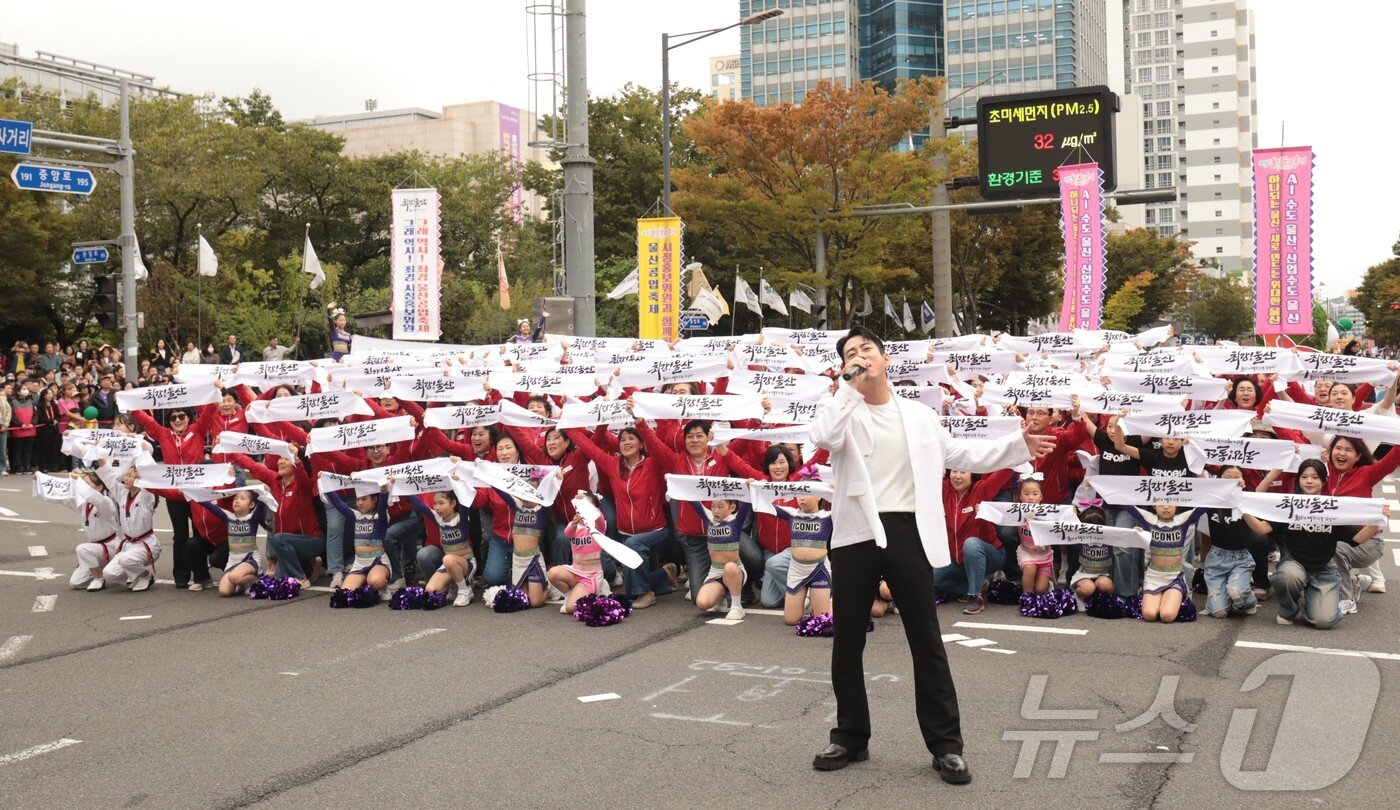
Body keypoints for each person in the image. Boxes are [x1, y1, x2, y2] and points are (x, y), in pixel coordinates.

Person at [809, 326, 1052, 783]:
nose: (859, 357)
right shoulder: (840, 408)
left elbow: (961, 452)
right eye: (850, 353)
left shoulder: (919, 416)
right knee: (848, 640)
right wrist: (847, 388)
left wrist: (1018, 446)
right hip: (857, 533)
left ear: (885, 358)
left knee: (925, 639)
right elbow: (823, 435)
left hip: (907, 531)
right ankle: (849, 737)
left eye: (866, 350)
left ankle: (946, 746)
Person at [1243, 460, 1382, 629]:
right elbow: (1261, 528)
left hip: (1324, 569)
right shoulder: (1289, 504)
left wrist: (1376, 520)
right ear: (1298, 480)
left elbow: (1357, 539)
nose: (1309, 481)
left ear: (1324, 481)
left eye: (1315, 477)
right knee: (1286, 576)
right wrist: (1242, 509)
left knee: (1323, 621)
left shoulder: (1333, 507)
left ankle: (1316, 596)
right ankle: (1288, 609)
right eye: (1304, 477)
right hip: (1294, 563)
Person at [193, 490, 268, 597]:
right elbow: (208, 505)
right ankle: (242, 583)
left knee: (234, 577)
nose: (237, 501)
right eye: (235, 498)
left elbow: (261, 504)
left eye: (242, 498)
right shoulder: (228, 517)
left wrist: (264, 492)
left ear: (251, 505)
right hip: (233, 561)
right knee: (224, 592)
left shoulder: (252, 518)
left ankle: (255, 579)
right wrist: (191, 492)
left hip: (249, 559)